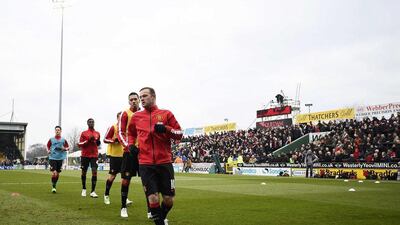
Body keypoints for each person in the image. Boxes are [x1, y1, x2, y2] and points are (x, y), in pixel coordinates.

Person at [128, 87, 183, 225]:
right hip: (145, 163)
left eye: (145, 96)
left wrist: (166, 129)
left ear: (153, 96)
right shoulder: (136, 117)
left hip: (164, 162)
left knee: (168, 199)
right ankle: (159, 222)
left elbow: (179, 133)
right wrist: (131, 145)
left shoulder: (166, 114)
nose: (142, 99)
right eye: (141, 97)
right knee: (152, 198)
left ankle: (161, 217)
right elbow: (131, 133)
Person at [117, 92, 145, 218]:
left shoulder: (145, 113)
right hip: (129, 152)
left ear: (139, 100)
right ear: (129, 102)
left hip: (144, 153)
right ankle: (123, 207)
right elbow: (120, 132)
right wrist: (129, 146)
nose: (134, 101)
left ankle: (151, 210)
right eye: (131, 99)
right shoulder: (125, 114)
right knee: (126, 180)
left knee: (147, 182)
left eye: (136, 99)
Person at [103, 112, 132, 206]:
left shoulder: (128, 128)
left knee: (125, 178)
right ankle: (106, 194)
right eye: (121, 118)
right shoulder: (113, 127)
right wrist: (113, 140)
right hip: (115, 156)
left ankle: (125, 198)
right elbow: (105, 139)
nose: (123, 120)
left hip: (126, 155)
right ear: (117, 119)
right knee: (112, 176)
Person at [78, 118, 101, 198]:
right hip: (85, 155)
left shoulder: (97, 133)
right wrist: (88, 140)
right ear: (87, 123)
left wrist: (97, 142)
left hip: (94, 156)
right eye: (90, 122)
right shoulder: (84, 133)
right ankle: (84, 188)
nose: (91, 123)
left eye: (92, 122)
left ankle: (93, 191)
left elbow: (98, 144)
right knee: (84, 172)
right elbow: (80, 144)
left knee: (94, 172)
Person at [46, 125, 70, 193]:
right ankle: (53, 187)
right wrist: (48, 151)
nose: (57, 131)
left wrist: (64, 149)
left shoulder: (63, 140)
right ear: (55, 131)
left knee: (58, 174)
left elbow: (68, 147)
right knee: (54, 173)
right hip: (52, 157)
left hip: (60, 158)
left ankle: (55, 184)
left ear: (60, 131)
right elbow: (47, 146)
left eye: (58, 130)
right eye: (56, 130)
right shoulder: (51, 139)